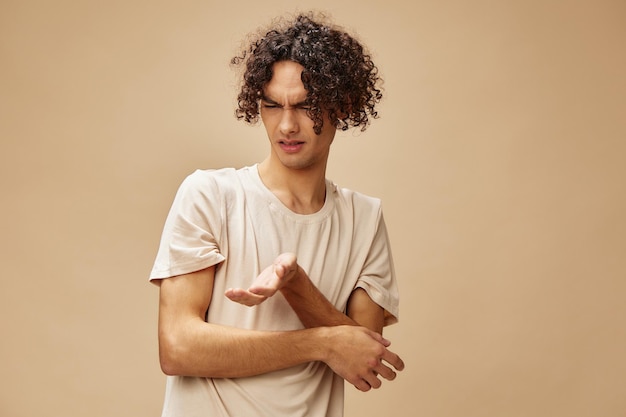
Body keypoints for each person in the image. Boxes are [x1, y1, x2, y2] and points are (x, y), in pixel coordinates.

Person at [149, 11, 404, 417]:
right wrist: (319, 343)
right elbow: (178, 347)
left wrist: (296, 284)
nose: (286, 125)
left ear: (344, 105)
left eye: (306, 106)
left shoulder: (364, 220)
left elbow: (363, 358)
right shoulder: (210, 195)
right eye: (271, 105)